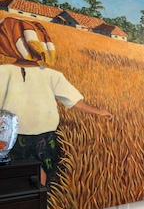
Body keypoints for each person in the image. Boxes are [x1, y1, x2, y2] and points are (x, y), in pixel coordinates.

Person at [0, 16, 112, 184]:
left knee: (13, 172)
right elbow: (73, 101)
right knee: (41, 169)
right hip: (43, 133)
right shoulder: (52, 75)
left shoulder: (3, 71)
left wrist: (98, 111)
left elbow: (72, 101)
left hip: (9, 134)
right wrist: (98, 111)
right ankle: (40, 202)